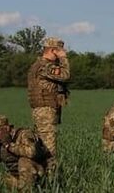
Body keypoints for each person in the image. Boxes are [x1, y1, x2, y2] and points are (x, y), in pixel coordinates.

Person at [27, 36, 70, 174]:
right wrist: (64, 59)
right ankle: (51, 179)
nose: (64, 52)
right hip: (45, 111)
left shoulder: (38, 64)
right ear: (53, 50)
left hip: (42, 110)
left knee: (41, 146)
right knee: (49, 149)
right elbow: (65, 75)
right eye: (61, 50)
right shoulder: (45, 66)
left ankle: (39, 175)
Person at [0, 115, 47, 190]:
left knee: (24, 161)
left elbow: (32, 152)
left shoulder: (24, 134)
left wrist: (9, 145)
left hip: (36, 173)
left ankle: (29, 190)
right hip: (15, 176)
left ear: (6, 128)